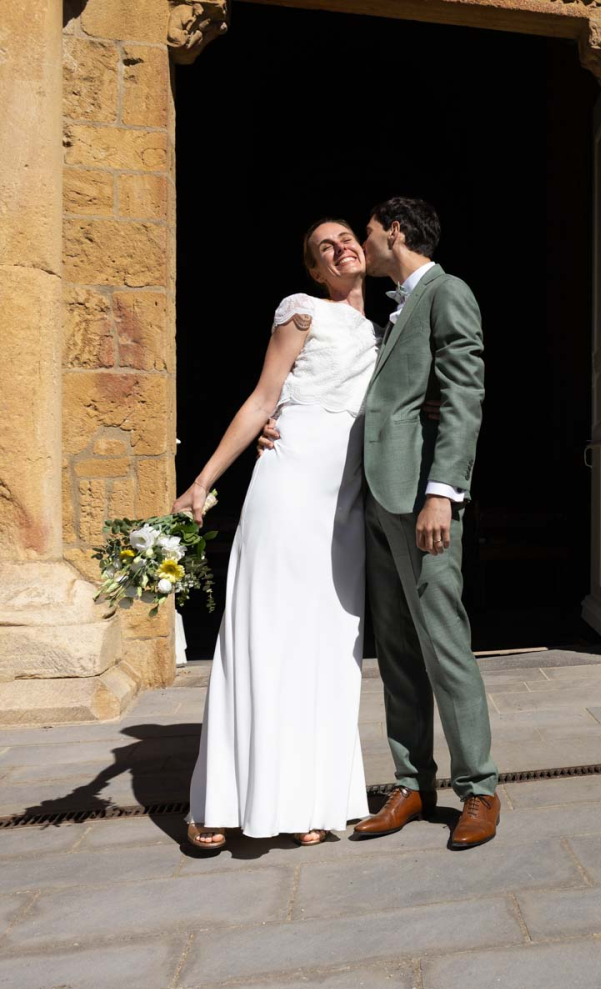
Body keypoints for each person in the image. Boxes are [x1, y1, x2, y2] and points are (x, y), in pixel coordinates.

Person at [259, 197, 500, 850]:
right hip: (376, 500)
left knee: (444, 642)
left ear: (394, 232)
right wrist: (277, 416)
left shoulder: (447, 293)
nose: (361, 243)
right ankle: (412, 781)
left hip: (421, 502)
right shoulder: (389, 312)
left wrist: (442, 494)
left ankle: (478, 788)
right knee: (395, 649)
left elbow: (463, 396)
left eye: (366, 232)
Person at [178, 219, 377, 849]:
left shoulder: (385, 330)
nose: (341, 246)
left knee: (327, 644)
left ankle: (308, 798)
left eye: (348, 236)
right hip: (289, 482)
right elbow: (264, 399)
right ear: (315, 271)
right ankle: (221, 798)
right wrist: (203, 482)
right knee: (266, 631)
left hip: (344, 500)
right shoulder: (302, 312)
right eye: (326, 246)